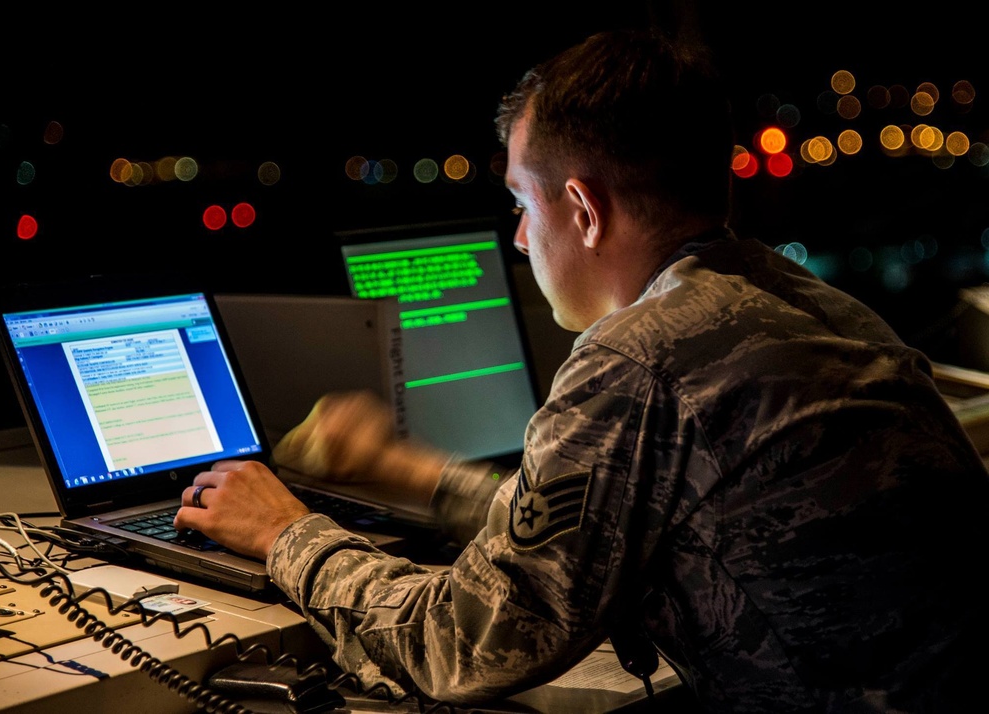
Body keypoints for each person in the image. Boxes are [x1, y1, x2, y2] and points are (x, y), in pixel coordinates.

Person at [174, 26, 989, 713]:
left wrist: (286, 535)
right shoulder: (807, 302)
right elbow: (600, 520)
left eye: (526, 206)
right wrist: (407, 472)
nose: (523, 239)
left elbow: (465, 642)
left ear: (586, 211)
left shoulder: (640, 357)